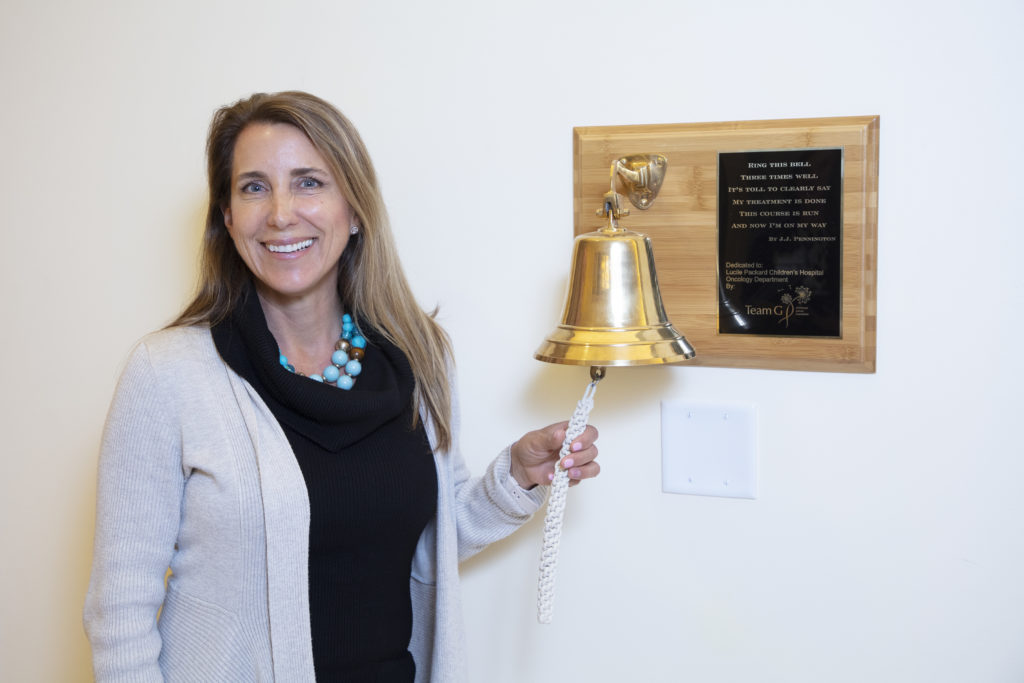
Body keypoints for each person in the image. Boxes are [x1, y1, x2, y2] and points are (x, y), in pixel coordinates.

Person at [83, 91, 599, 682]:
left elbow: (426, 540)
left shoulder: (419, 355)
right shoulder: (168, 374)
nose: (280, 213)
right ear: (227, 218)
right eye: (253, 187)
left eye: (308, 182)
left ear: (354, 210)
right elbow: (118, 612)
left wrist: (517, 476)